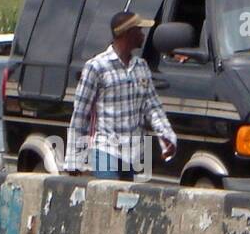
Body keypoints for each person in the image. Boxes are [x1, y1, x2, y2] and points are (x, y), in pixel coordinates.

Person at [64, 11, 177, 180]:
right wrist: (73, 159)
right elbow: (80, 113)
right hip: (105, 149)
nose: (142, 34)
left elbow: (153, 107)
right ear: (127, 33)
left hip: (131, 153)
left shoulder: (141, 67)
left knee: (125, 203)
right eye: (138, 30)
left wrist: (167, 136)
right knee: (108, 198)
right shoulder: (97, 67)